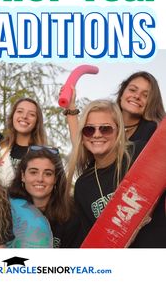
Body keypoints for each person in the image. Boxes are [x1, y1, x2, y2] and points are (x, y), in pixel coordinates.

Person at [67, 99, 166, 248]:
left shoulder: (141, 153)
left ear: (118, 130)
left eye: (105, 129)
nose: (97, 135)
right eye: (89, 129)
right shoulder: (83, 185)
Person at [63, 71, 165, 145]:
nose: (137, 96)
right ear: (122, 93)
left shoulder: (153, 130)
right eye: (133, 90)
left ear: (152, 102)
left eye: (145, 95)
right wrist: (70, 106)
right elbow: (80, 145)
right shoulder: (106, 121)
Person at [9, 146, 83, 248]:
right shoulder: (6, 208)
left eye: (48, 174)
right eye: (33, 172)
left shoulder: (71, 217)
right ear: (23, 176)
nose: (40, 179)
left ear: (55, 179)